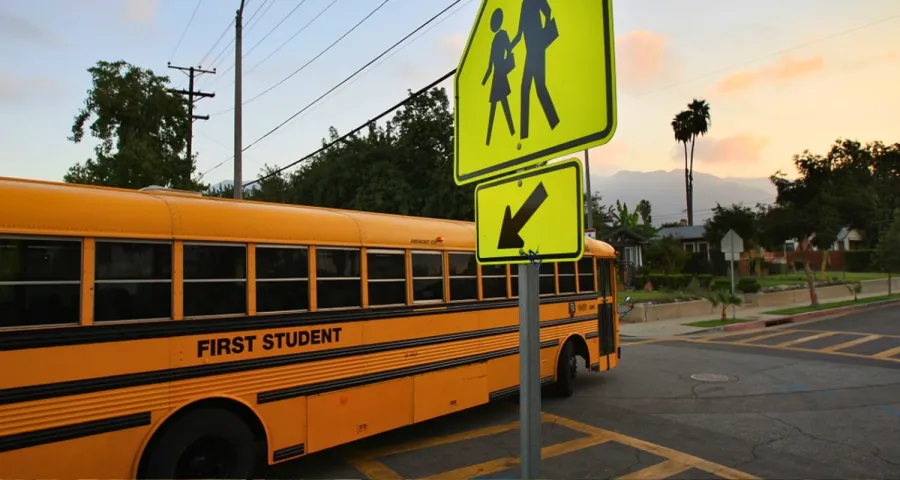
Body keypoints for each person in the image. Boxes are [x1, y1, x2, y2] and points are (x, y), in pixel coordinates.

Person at [510, 0, 560, 140]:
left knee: (530, 88)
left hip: (537, 49)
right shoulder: (524, 4)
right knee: (536, 88)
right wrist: (510, 47)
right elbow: (520, 33)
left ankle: (527, 133)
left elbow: (548, 11)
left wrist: (542, 35)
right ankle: (552, 122)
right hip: (530, 51)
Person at [482, 7, 516, 146]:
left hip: (500, 74)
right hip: (497, 76)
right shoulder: (494, 41)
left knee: (501, 106)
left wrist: (506, 64)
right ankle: (490, 139)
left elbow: (509, 49)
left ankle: (511, 133)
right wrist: (483, 82)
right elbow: (490, 66)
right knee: (497, 107)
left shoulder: (502, 35)